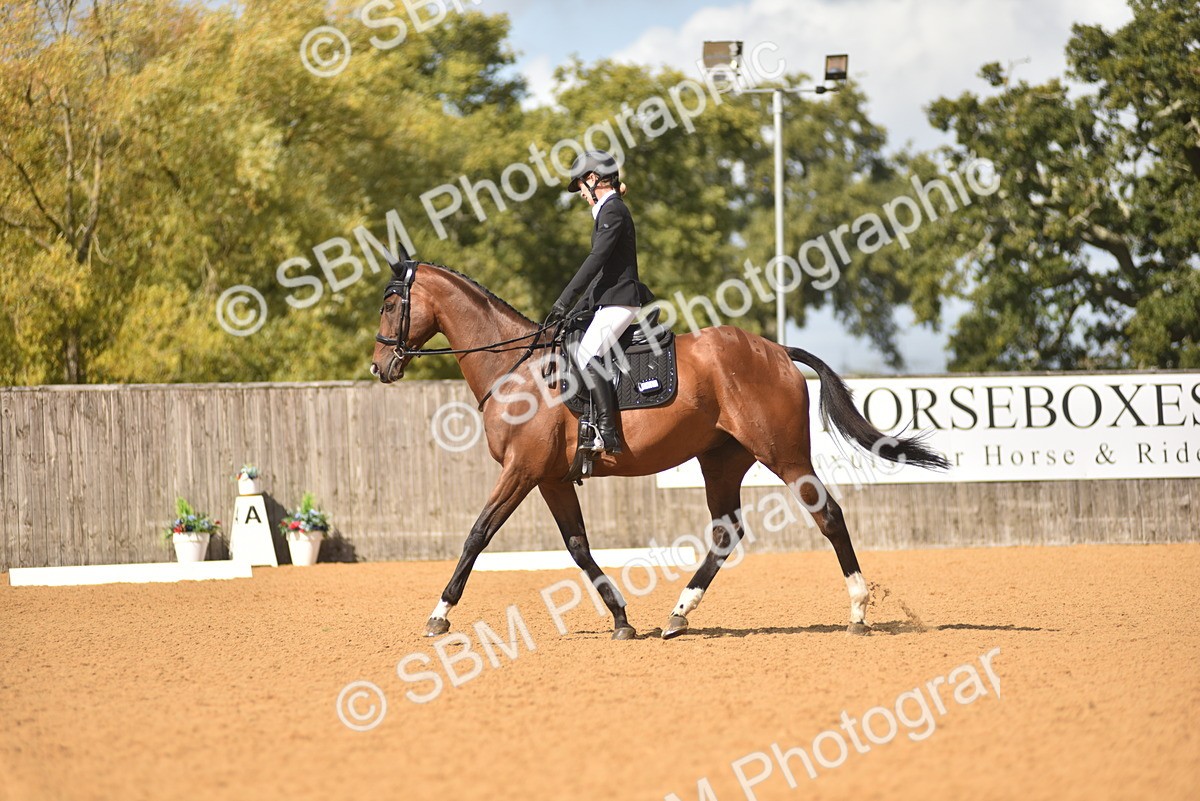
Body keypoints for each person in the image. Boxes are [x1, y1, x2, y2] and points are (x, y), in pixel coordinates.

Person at [547, 150, 654, 455]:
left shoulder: (613, 210)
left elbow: (596, 262)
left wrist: (564, 300)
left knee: (586, 355)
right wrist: (574, 310)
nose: (581, 193)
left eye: (580, 185)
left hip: (622, 300)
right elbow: (601, 276)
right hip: (611, 299)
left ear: (592, 179)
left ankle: (608, 433)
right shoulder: (608, 211)